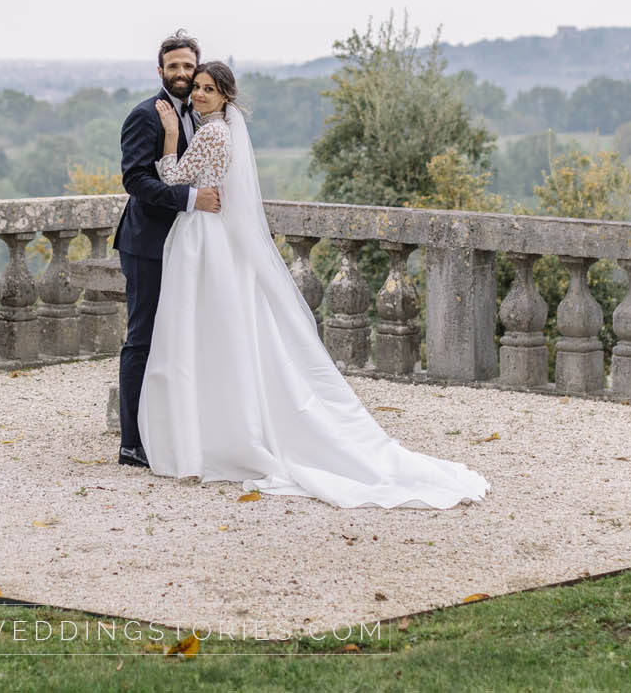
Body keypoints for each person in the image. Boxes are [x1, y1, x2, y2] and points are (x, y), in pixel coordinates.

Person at [134, 60, 491, 510]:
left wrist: (169, 134)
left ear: (226, 95)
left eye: (208, 88)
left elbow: (170, 176)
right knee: (221, 331)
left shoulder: (210, 133)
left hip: (204, 237)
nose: (200, 94)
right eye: (198, 87)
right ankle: (217, 427)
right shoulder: (226, 130)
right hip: (213, 234)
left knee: (198, 330)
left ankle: (204, 435)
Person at [113, 29, 220, 468]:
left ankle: (172, 429)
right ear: (160, 71)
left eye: (187, 66)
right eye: (173, 66)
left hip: (189, 245)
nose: (181, 73)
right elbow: (136, 179)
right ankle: (132, 442)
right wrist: (193, 200)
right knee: (142, 340)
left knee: (181, 338)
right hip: (149, 245)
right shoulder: (145, 115)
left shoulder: (202, 114)